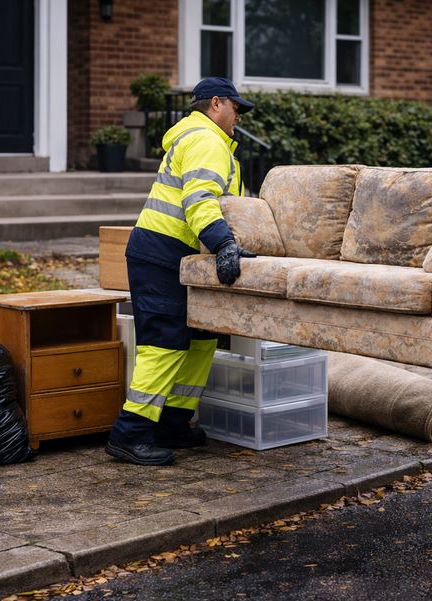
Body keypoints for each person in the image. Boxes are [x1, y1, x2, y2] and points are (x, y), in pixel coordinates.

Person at [106, 77, 256, 466]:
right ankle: (131, 433)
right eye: (236, 107)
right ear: (217, 103)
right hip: (162, 255)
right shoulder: (206, 140)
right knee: (164, 344)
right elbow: (200, 199)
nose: (238, 115)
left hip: (185, 256)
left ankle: (172, 423)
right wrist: (224, 243)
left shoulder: (208, 140)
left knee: (202, 339)